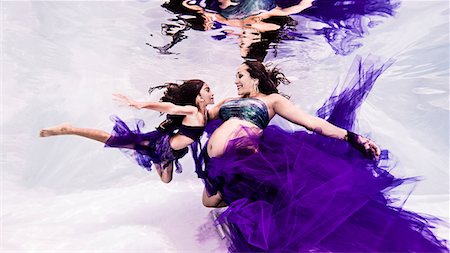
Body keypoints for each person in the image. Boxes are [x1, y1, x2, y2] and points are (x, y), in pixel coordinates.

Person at [199, 60, 448, 252]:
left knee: (268, 217)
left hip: (249, 165)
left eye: (240, 75)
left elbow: (311, 123)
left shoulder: (272, 100)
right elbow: (201, 118)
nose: (236, 81)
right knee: (209, 202)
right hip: (218, 165)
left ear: (255, 77)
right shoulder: (229, 100)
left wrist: (352, 137)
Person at [40, 79, 214, 183]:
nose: (212, 93)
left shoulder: (205, 113)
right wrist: (140, 104)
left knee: (166, 180)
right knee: (113, 140)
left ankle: (154, 158)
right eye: (207, 90)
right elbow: (171, 107)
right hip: (158, 145)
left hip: (171, 151)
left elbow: (222, 105)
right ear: (198, 97)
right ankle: (69, 129)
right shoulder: (193, 112)